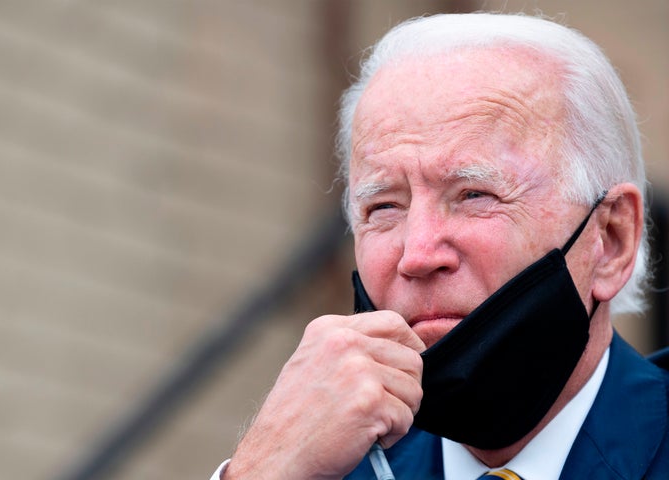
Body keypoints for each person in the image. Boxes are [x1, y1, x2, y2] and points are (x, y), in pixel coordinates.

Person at [212, 12, 669, 479]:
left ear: (611, 239)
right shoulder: (319, 469)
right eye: (385, 207)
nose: (417, 254)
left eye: (474, 195)